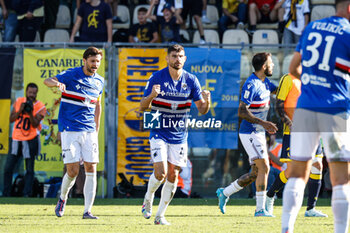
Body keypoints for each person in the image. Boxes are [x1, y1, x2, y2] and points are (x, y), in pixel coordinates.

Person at [281, 0, 350, 232]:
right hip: (335, 109)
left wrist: (313, 81)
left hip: (305, 107)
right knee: (341, 178)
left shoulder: (312, 27)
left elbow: (293, 69)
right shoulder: (348, 32)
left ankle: (286, 228)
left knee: (297, 174)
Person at [140, 44, 210, 225]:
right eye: (174, 56)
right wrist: (151, 96)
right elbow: (143, 107)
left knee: (173, 176)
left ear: (185, 59)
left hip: (179, 133)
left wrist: (207, 101)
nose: (177, 59)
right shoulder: (157, 77)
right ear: (167, 58)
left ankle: (160, 215)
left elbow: (202, 109)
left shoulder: (191, 80)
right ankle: (148, 197)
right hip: (159, 130)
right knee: (161, 172)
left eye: (180, 56)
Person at [44, 47, 104, 219]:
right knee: (72, 171)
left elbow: (97, 105)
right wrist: (57, 83)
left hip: (89, 131)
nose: (95, 65)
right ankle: (62, 198)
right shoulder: (71, 75)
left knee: (91, 167)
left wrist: (96, 127)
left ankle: (87, 211)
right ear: (84, 61)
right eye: (92, 61)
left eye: (98, 61)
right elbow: (47, 81)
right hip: (70, 129)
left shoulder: (99, 81)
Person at [216, 52, 278, 217]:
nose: (273, 66)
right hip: (250, 132)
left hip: (257, 133)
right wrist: (263, 123)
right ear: (264, 66)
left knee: (255, 173)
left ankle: (225, 192)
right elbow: (242, 110)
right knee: (265, 167)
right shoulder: (252, 84)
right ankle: (260, 210)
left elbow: (280, 90)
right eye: (271, 63)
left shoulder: (266, 83)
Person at [265, 73, 328, 217]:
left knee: (317, 165)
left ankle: (310, 209)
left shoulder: (315, 78)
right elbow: (279, 104)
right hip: (295, 131)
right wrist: (288, 123)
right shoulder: (288, 78)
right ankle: (270, 196)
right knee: (293, 171)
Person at [3, 83, 46, 197]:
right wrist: (20, 110)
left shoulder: (40, 106)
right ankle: (6, 193)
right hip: (16, 139)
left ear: (36, 93)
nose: (31, 95)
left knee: (29, 169)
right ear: (26, 92)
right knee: (8, 168)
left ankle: (27, 194)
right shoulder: (19, 101)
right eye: (30, 92)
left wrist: (30, 113)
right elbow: (11, 119)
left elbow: (35, 124)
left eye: (34, 93)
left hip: (31, 140)